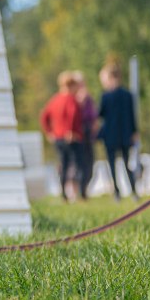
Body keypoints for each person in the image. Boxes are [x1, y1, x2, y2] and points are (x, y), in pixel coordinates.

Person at [40, 71, 85, 202]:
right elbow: (72, 114)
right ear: (71, 85)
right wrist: (71, 131)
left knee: (63, 165)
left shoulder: (54, 100)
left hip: (58, 138)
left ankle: (63, 194)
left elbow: (44, 116)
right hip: (72, 138)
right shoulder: (71, 99)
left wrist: (49, 132)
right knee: (77, 164)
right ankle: (77, 193)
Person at [97, 63, 139, 202]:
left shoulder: (106, 96)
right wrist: (134, 131)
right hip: (125, 134)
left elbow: (100, 114)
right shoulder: (128, 94)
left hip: (110, 135)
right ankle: (133, 191)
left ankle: (117, 193)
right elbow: (133, 115)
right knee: (127, 163)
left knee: (113, 165)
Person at [73, 71, 98, 198]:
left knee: (90, 163)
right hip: (79, 133)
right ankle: (80, 191)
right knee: (80, 164)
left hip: (88, 133)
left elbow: (93, 115)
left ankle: (84, 189)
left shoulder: (88, 97)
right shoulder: (73, 99)